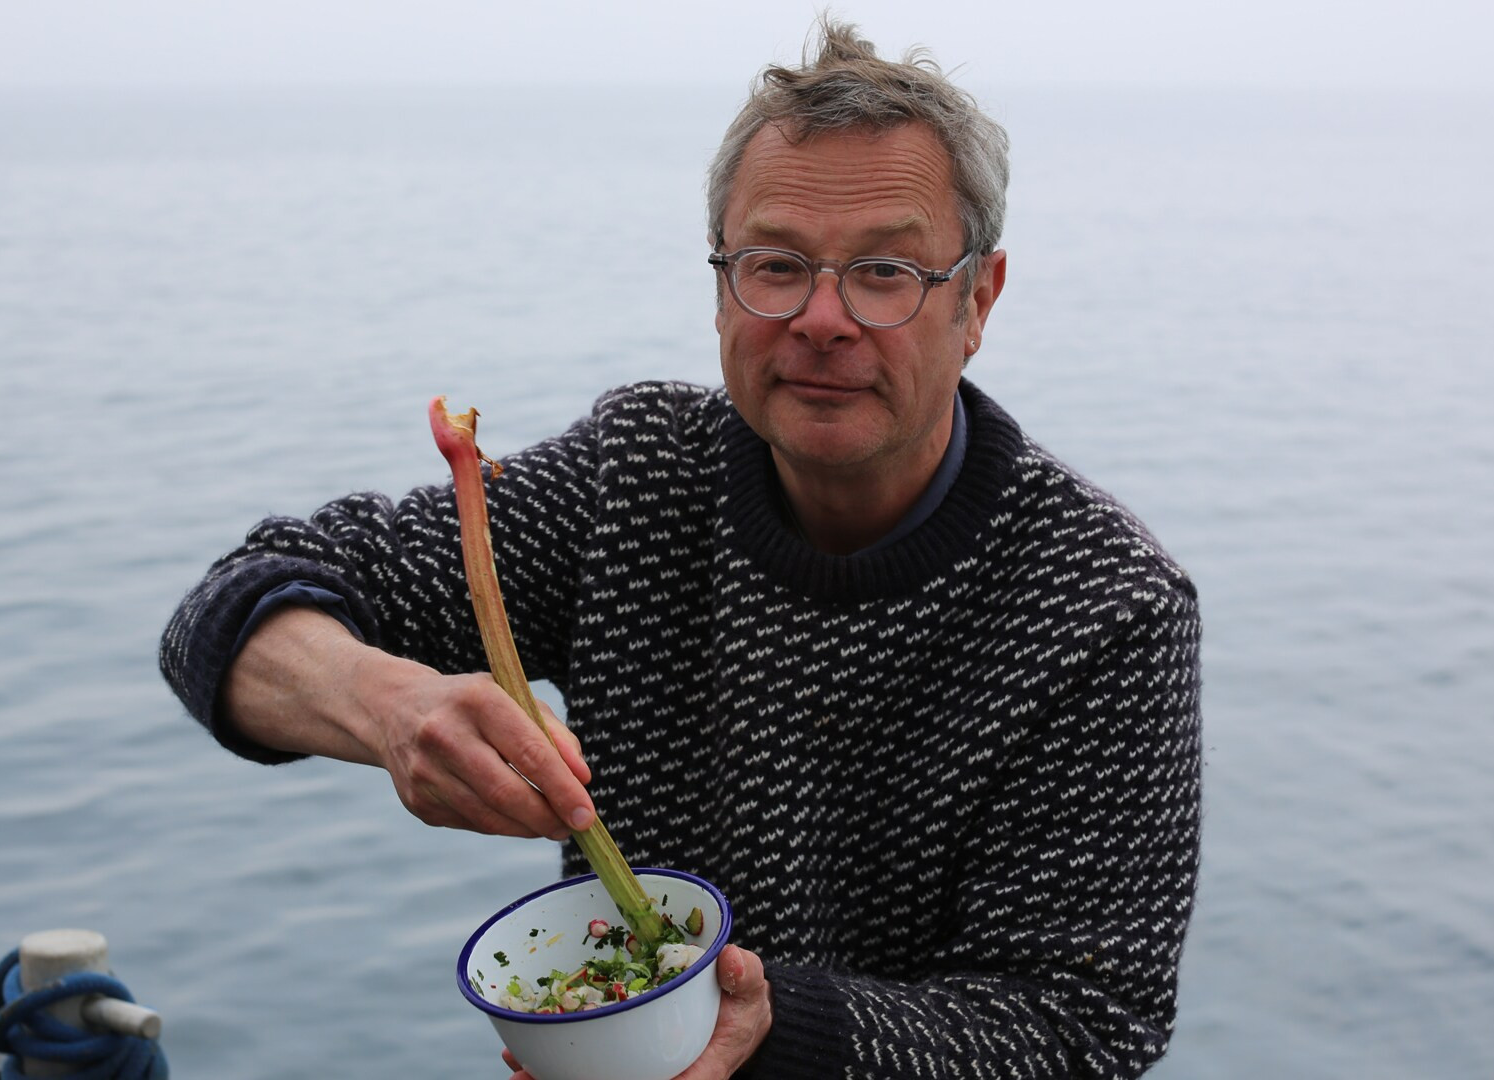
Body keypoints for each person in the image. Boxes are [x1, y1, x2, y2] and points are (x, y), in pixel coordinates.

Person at [161, 18, 1201, 1080]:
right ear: (718, 289)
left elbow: (1082, 1022)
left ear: (977, 300)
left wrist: (767, 1025)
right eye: (774, 265)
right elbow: (228, 615)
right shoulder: (642, 475)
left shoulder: (1102, 603)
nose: (821, 318)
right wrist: (391, 710)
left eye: (885, 272)